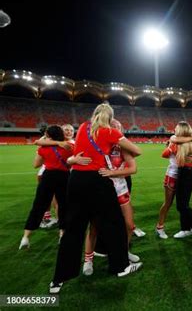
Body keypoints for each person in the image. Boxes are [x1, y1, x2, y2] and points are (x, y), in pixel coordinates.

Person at [49, 103, 142, 294]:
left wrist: (74, 160)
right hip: (98, 180)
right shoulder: (110, 132)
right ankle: (121, 267)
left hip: (75, 180)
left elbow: (77, 154)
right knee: (114, 222)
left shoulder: (83, 127)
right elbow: (137, 150)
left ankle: (58, 280)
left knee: (73, 228)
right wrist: (117, 141)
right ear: (110, 117)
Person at [82, 119, 142, 276]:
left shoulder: (122, 148)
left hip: (121, 190)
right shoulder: (98, 146)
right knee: (95, 227)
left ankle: (124, 252)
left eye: (118, 127)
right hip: (101, 192)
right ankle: (88, 260)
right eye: (112, 127)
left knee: (129, 225)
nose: (115, 129)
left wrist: (113, 173)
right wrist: (72, 160)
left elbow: (133, 168)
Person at [19, 125, 74, 249]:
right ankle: (62, 234)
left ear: (48, 135)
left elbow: (35, 164)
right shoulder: (70, 146)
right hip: (64, 177)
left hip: (48, 177)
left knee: (38, 205)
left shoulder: (44, 148)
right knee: (63, 206)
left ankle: (26, 237)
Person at [155, 131, 192, 239]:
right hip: (172, 176)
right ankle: (160, 227)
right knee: (168, 203)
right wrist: (171, 148)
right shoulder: (174, 141)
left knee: (183, 204)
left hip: (182, 176)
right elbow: (164, 154)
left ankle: (187, 228)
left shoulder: (185, 144)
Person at [35, 124, 75, 228]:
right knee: (58, 201)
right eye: (66, 130)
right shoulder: (51, 142)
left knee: (62, 201)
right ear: (61, 131)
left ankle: (60, 221)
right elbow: (38, 142)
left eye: (71, 130)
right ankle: (59, 223)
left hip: (65, 174)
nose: (69, 132)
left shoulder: (72, 142)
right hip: (51, 173)